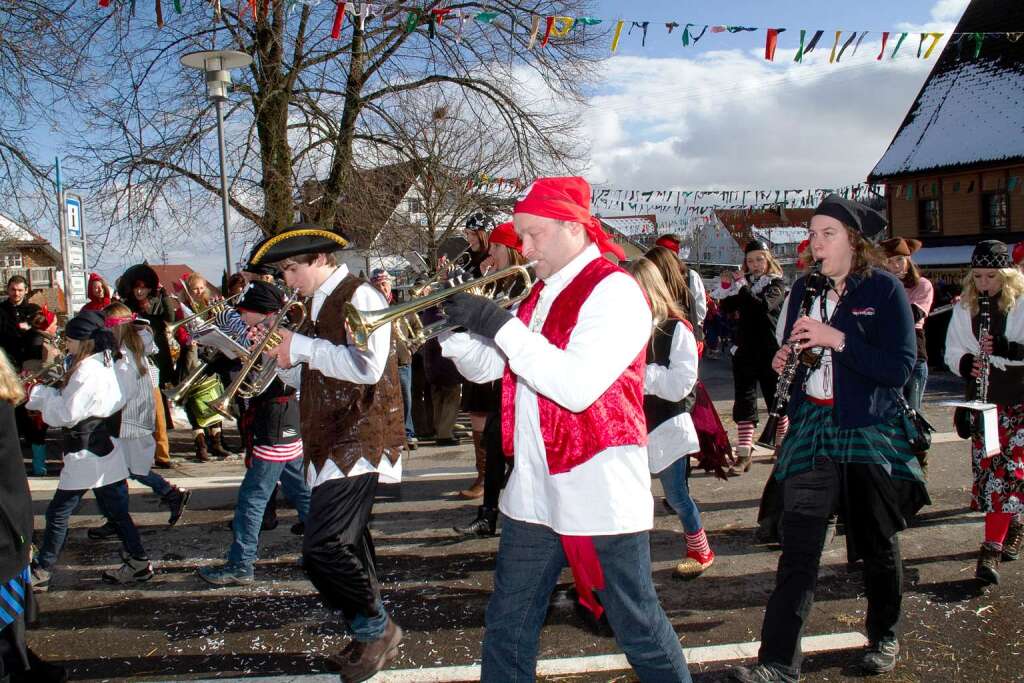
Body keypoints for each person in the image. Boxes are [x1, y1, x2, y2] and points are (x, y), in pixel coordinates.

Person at [441, 177, 692, 682]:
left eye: (533, 235)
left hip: (597, 484)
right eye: (520, 236)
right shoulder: (542, 292)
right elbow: (492, 368)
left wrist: (498, 323)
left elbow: (575, 385)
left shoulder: (615, 291)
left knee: (635, 623)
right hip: (533, 487)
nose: (524, 248)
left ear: (573, 228)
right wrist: (453, 331)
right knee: (507, 624)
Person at [731, 196, 929, 683]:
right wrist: (787, 364)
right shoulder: (803, 288)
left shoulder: (882, 289)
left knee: (876, 544)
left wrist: (836, 338)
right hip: (814, 426)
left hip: (867, 428)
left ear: (854, 241)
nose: (815, 243)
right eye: (813, 234)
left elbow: (899, 368)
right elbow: (799, 356)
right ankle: (777, 662)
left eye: (827, 234)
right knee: (799, 550)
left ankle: (884, 635)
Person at [249, 224, 405, 681]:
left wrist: (301, 347)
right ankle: (366, 631)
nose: (287, 280)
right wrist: (284, 361)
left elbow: (369, 368)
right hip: (328, 437)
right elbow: (315, 376)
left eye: (291, 268)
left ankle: (378, 628)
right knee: (350, 546)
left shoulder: (361, 297)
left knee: (324, 549)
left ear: (319, 259)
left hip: (360, 437)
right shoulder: (312, 305)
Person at [26, 311, 154, 591]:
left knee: (58, 513)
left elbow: (66, 414)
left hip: (86, 451)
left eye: (69, 340)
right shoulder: (112, 361)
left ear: (83, 341)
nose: (66, 345)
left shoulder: (87, 369)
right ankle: (139, 563)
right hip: (104, 446)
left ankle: (43, 570)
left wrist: (37, 396)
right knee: (116, 512)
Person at [199, 282, 311, 586]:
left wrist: (251, 353)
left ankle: (241, 563)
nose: (242, 319)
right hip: (281, 418)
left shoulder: (280, 336)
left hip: (275, 418)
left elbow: (285, 375)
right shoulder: (264, 332)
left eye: (245, 314)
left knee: (253, 498)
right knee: (301, 491)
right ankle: (322, 551)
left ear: (262, 313)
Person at [943, 240, 1024, 585]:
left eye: (991, 276)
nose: (984, 283)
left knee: (1012, 470)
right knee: (993, 471)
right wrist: (966, 363)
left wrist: (1009, 349)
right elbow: (952, 350)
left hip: (1019, 401)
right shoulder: (966, 308)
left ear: (1006, 276)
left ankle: (991, 546)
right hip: (987, 404)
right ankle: (1012, 523)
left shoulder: (1021, 304)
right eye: (978, 276)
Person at [629, 257, 715, 578]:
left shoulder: (677, 329)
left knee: (677, 495)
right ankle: (627, 560)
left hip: (666, 427)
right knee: (632, 497)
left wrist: (641, 375)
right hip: (633, 428)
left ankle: (701, 548)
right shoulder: (627, 328)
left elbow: (681, 384)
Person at [87, 303, 190, 541]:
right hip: (124, 419)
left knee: (129, 470)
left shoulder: (128, 354)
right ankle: (121, 516)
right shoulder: (128, 350)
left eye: (109, 325)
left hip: (128, 419)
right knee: (120, 471)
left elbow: (120, 391)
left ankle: (165, 496)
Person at [454, 221, 527, 537]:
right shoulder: (497, 280)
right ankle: (489, 514)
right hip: (499, 379)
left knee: (510, 453)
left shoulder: (522, 284)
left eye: (496, 247)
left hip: (515, 381)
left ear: (510, 249)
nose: (491, 252)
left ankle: (508, 515)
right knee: (495, 447)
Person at [0, 350, 67, 683]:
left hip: (7, 517)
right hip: (10, 515)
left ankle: (21, 663)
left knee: (8, 597)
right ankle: (22, 664)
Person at [718, 240, 787, 474]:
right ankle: (744, 455)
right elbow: (726, 308)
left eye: (759, 259)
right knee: (745, 402)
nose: (755, 264)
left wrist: (742, 287)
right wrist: (728, 288)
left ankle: (782, 447)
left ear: (768, 260)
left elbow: (762, 307)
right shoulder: (745, 285)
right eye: (750, 260)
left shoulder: (777, 283)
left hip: (770, 351)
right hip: (745, 350)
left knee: (776, 401)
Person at [881, 238, 934, 412]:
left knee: (912, 414)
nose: (895, 265)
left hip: (914, 355)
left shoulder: (923, 285)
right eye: (890, 261)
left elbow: (909, 316)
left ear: (908, 261)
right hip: (887, 356)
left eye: (899, 260)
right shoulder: (880, 286)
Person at [370, 269, 417, 451]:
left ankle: (408, 432)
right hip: (381, 362)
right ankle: (390, 434)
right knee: (385, 399)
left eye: (385, 283)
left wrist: (411, 348)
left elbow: (417, 328)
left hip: (402, 360)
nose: (383, 287)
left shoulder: (402, 306)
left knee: (406, 398)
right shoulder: (371, 308)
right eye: (379, 284)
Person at [18, 306, 61, 476]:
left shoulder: (30, 338)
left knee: (34, 431)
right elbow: (50, 369)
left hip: (27, 388)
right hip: (39, 391)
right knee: (38, 430)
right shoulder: (44, 344)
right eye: (55, 324)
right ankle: (39, 467)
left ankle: (38, 465)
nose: (56, 327)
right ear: (47, 326)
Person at [654, 234, 708, 328]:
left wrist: (678, 322)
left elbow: (700, 311)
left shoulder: (691, 276)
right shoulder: (654, 275)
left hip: (685, 332)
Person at [0, 275, 40, 370]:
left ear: (26, 290)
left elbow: (41, 332)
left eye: (20, 290)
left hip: (30, 361)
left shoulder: (34, 310)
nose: (16, 293)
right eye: (13, 289)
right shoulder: (1, 309)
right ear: (8, 290)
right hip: (6, 362)